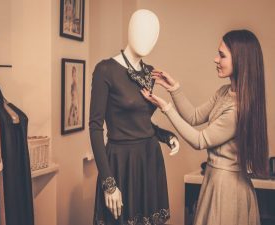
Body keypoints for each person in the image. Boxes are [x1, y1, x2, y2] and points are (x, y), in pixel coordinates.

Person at [141, 29, 269, 225]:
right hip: (214, 180)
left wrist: (166, 108)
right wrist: (174, 88)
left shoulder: (238, 109)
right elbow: (194, 117)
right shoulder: (224, 92)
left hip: (227, 189)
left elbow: (200, 141)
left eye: (222, 55)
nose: (215, 59)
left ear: (240, 60)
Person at [89, 9, 179, 225]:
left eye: (152, 34)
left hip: (149, 159)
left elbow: (141, 122)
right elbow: (95, 127)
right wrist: (108, 182)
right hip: (121, 161)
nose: (146, 38)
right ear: (130, 30)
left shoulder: (149, 72)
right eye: (142, 30)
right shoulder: (105, 70)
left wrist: (166, 136)